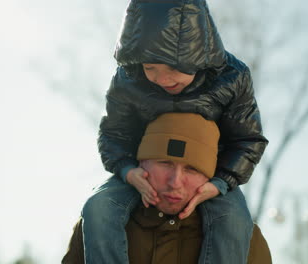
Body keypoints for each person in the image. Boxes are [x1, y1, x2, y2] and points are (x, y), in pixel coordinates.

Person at [83, 0, 269, 263]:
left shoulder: (232, 78)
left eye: (173, 68)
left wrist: (220, 183)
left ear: (198, 56)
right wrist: (127, 170)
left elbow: (247, 139)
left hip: (211, 174)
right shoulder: (127, 80)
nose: (162, 79)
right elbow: (114, 134)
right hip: (143, 170)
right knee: (98, 208)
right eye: (150, 68)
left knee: (234, 221)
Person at [65, 113, 271, 264]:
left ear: (210, 175)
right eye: (164, 163)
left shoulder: (243, 238)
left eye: (192, 169)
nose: (175, 181)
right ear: (141, 163)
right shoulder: (95, 229)